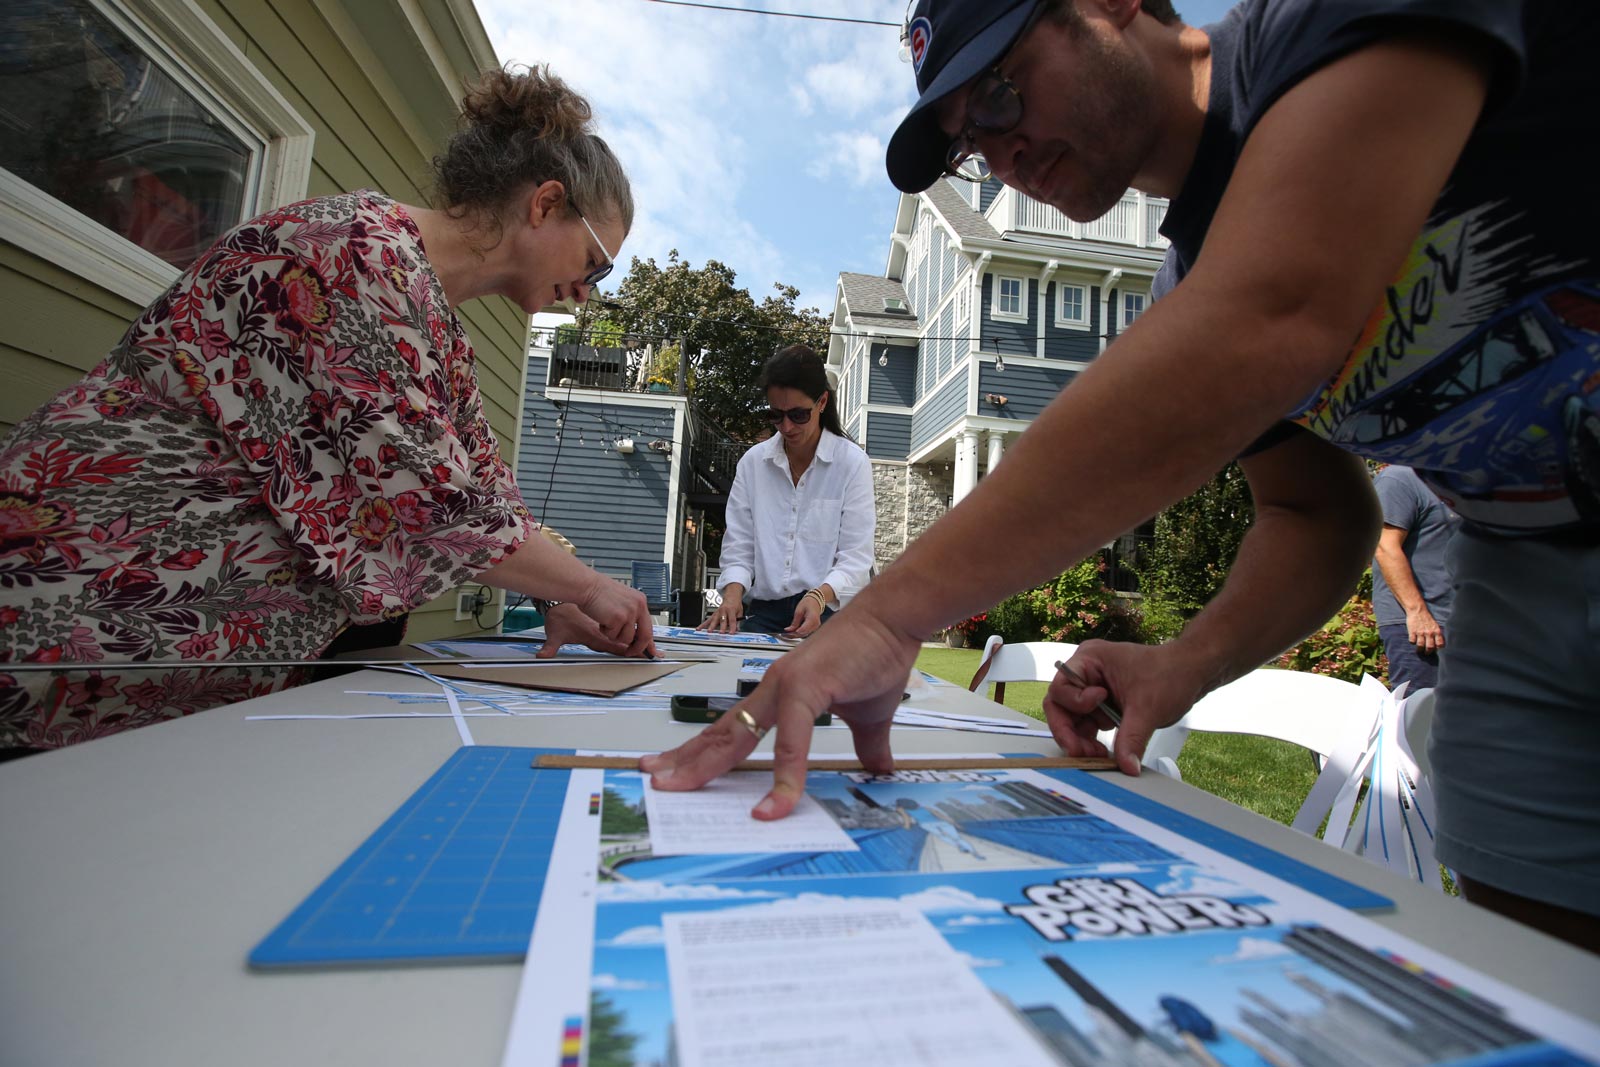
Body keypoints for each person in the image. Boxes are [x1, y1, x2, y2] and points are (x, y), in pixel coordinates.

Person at [645, 0, 1600, 952]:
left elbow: (1273, 313)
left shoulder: (1320, 26)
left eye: (1000, 93)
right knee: (1543, 974)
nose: (999, 149)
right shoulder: (1189, 284)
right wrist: (1181, 664)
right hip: (1519, 575)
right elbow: (1314, 514)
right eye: (970, 141)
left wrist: (891, 614)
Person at [0, 66, 656, 756]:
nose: (587, 293)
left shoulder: (439, 331)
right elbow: (434, 505)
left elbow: (488, 498)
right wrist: (592, 585)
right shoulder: (351, 253)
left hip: (154, 670)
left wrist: (561, 601)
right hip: (61, 611)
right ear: (546, 204)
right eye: (597, 262)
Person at [700, 345, 875, 637]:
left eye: (798, 414)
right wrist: (731, 595)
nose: (787, 426)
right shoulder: (753, 464)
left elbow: (856, 558)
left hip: (830, 615)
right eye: (776, 415)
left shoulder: (852, 464)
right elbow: (739, 547)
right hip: (763, 612)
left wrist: (818, 597)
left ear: (822, 403)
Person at [1371, 465, 1460, 693]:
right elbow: (1384, 546)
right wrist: (1417, 612)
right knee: (1418, 717)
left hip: (1464, 623)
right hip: (1419, 625)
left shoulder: (1466, 485)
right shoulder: (1401, 478)